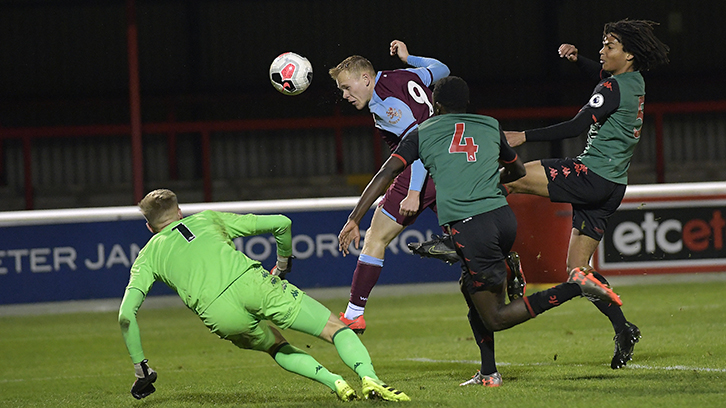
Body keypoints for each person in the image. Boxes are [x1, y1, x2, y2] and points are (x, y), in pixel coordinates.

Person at [338, 76, 623, 387]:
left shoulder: (424, 132)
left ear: (437, 106)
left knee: (496, 317)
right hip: (503, 219)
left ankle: (574, 287)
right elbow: (516, 171)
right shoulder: (489, 125)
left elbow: (387, 173)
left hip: (471, 226)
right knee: (469, 289)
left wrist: (355, 217)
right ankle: (489, 372)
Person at [118, 189, 410, 402]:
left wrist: (140, 367)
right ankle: (370, 378)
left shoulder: (147, 257)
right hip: (254, 284)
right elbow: (281, 222)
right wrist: (283, 263)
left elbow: (126, 316)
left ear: (149, 227)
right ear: (179, 211)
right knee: (335, 329)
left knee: (276, 345)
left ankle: (335, 383)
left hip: (217, 313)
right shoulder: (207, 219)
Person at [502, 19, 670, 369]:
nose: (602, 50)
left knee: (509, 180)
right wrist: (580, 61)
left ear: (629, 54)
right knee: (578, 271)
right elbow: (605, 77)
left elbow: (578, 125)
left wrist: (523, 135)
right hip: (611, 187)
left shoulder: (611, 88)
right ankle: (624, 329)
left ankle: (500, 261)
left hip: (589, 174)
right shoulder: (634, 81)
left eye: (610, 45)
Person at [328, 40, 451, 333]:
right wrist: (410, 58)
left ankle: (354, 314)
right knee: (465, 238)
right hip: (449, 163)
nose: (345, 95)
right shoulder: (404, 75)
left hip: (424, 168)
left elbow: (418, 144)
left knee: (375, 238)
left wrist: (413, 191)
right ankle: (504, 265)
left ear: (366, 79)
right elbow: (442, 69)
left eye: (347, 87)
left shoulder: (385, 104)